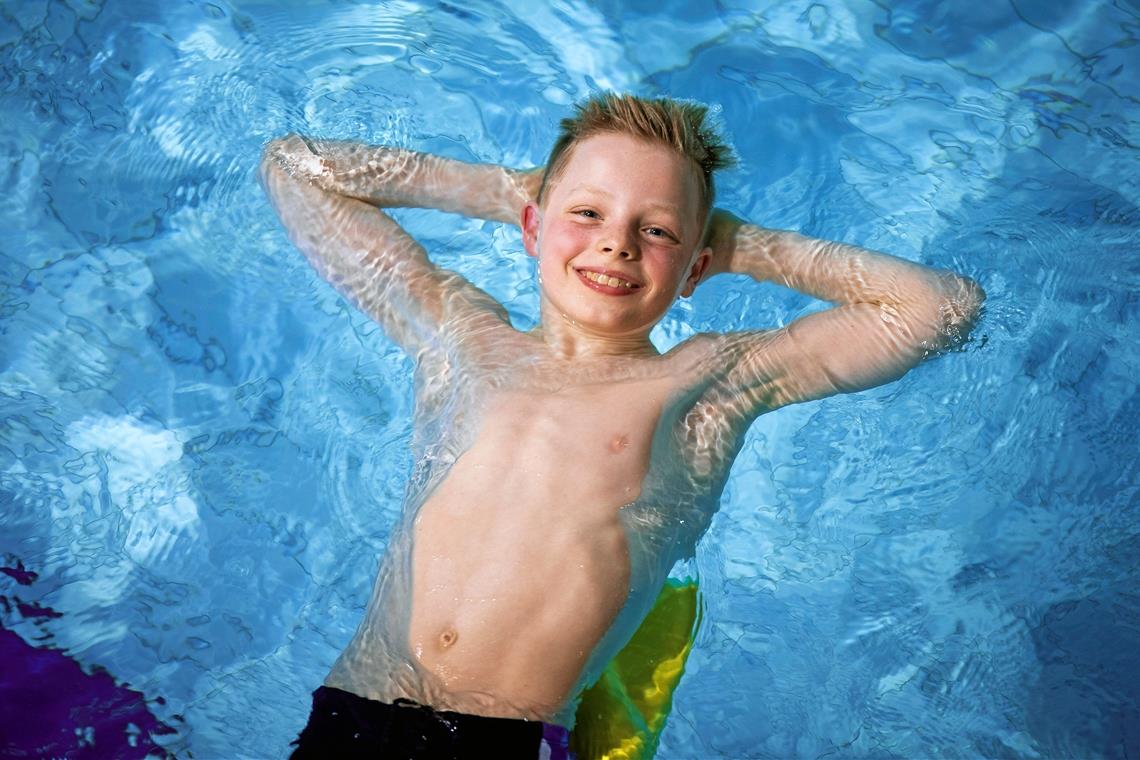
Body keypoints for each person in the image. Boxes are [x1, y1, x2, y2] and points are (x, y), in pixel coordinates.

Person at [260, 92, 983, 759]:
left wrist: (738, 245)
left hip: (509, 740)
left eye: (657, 229)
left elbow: (939, 309)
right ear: (532, 229)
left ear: (696, 267)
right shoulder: (462, 336)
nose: (618, 244)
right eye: (588, 214)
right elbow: (294, 168)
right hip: (352, 710)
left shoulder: (702, 385)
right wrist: (512, 189)